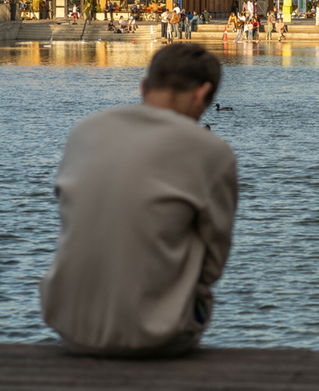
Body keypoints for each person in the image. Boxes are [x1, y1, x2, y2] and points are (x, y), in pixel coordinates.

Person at [40, 44, 238, 357]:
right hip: (157, 335)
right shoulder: (211, 151)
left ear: (144, 86)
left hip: (70, 328)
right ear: (203, 95)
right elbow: (213, 262)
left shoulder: (85, 131)